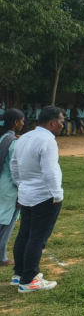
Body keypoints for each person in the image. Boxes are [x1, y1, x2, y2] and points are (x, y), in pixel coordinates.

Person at [10, 106, 65, 292]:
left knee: (24, 234)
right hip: (44, 196)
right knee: (37, 238)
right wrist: (57, 194)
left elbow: (14, 165)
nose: (63, 125)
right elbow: (50, 170)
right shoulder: (48, 141)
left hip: (27, 194)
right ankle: (29, 280)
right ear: (53, 122)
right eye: (61, 122)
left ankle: (19, 275)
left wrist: (21, 185)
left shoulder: (25, 137)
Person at [0, 109, 24, 267]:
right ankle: (1, 257)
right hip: (9, 187)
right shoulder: (14, 142)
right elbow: (16, 170)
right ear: (16, 122)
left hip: (2, 184)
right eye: (22, 120)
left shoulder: (3, 137)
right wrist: (22, 190)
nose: (23, 123)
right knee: (6, 223)